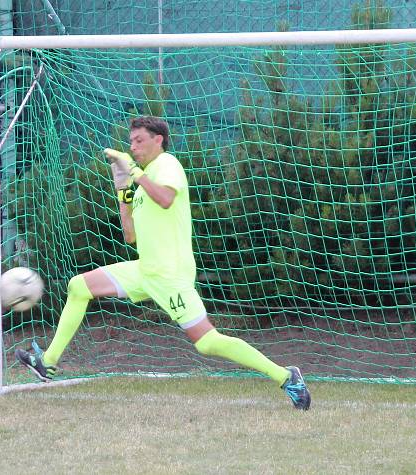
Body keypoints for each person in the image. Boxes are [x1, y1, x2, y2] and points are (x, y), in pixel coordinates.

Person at [16, 116, 311, 410]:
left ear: (158, 139)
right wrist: (123, 191)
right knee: (78, 287)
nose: (133, 147)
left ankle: (286, 376)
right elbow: (130, 236)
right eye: (131, 142)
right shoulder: (142, 180)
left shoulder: (167, 165)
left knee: (207, 343)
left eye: (139, 140)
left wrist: (133, 171)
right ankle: (48, 363)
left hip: (169, 275)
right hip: (147, 269)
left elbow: (167, 199)